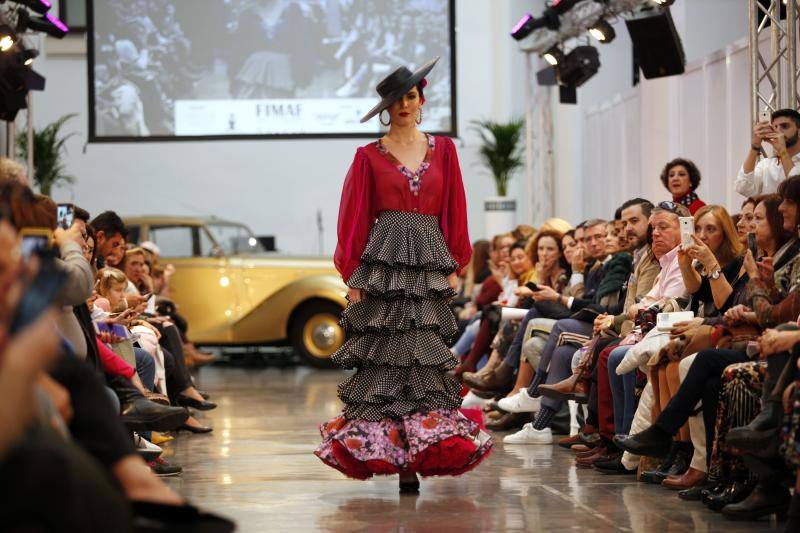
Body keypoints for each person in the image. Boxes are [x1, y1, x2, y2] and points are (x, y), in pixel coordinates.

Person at [314, 57, 492, 493]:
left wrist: (456, 262)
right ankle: (396, 457)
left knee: (424, 361)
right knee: (386, 361)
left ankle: (420, 451)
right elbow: (353, 217)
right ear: (387, 108)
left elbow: (455, 206)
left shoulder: (444, 150)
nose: (405, 105)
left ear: (421, 98)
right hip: (385, 267)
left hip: (429, 262)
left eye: (410, 96)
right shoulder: (367, 157)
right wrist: (353, 274)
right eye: (397, 100)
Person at [736, 108, 800, 197]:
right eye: (775, 127)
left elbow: (796, 188)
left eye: (785, 126)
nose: (779, 131)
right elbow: (743, 187)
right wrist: (754, 147)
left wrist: (783, 151)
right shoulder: (766, 164)